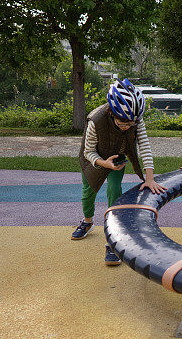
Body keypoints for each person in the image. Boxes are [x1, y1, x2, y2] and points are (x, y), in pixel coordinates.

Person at [71, 79, 165, 265]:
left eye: (131, 123)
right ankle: (88, 221)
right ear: (111, 112)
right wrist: (103, 163)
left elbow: (144, 146)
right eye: (123, 122)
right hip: (94, 158)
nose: (127, 126)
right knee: (88, 191)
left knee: (115, 190)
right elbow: (88, 151)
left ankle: (113, 239)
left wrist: (150, 178)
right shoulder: (95, 120)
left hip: (117, 157)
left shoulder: (135, 120)